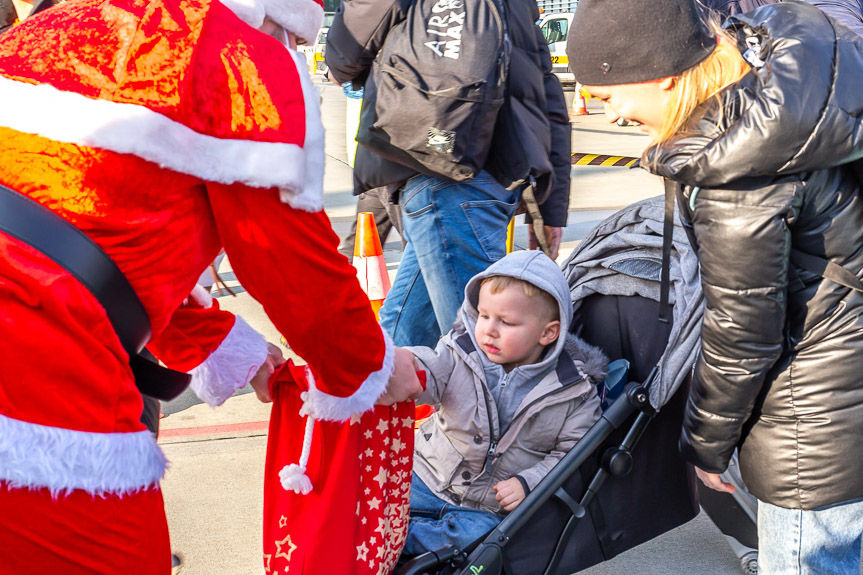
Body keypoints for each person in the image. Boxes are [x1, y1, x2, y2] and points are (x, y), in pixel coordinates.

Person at [0, 0, 422, 573]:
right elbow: (291, 257)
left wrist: (233, 353)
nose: (294, 53)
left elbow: (96, 250)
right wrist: (368, 367)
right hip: (35, 362)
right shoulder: (233, 56)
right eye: (292, 38)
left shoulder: (54, 28)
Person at [568, 1, 863, 573]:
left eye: (608, 95)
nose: (609, 113)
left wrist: (704, 445)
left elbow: (741, 333)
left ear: (660, 74)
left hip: (811, 420)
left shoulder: (738, 168)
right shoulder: (785, 111)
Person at [325, 0, 572, 348]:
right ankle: (376, 401)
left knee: (481, 357)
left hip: (438, 175)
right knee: (402, 339)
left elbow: (344, 57)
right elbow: (549, 100)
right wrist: (551, 206)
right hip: (497, 184)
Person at [402, 251, 604, 555]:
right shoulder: (459, 353)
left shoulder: (573, 391)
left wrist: (528, 482)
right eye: (483, 315)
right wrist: (403, 368)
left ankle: (398, 539)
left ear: (548, 333)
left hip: (485, 508)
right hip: (426, 474)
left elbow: (572, 454)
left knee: (486, 538)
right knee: (372, 497)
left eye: (506, 322)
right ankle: (398, 536)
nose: (489, 330)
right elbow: (429, 369)